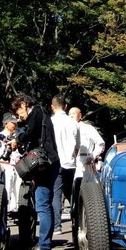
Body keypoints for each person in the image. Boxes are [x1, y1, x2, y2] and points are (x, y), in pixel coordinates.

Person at [10, 93, 59, 250]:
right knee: (45, 204)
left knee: (42, 204)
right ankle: (45, 244)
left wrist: (18, 138)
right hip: (50, 162)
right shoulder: (42, 113)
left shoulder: (36, 112)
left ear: (24, 103)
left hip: (45, 164)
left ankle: (44, 246)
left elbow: (30, 133)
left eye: (18, 111)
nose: (19, 116)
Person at [50, 95, 80, 235]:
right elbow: (78, 145)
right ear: (66, 107)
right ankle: (78, 221)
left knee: (56, 193)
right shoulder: (73, 122)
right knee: (71, 192)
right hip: (70, 161)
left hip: (56, 161)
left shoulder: (51, 121)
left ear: (52, 107)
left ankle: (57, 226)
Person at [69, 106, 105, 219]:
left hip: (85, 161)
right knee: (71, 189)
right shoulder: (65, 129)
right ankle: (73, 213)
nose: (71, 116)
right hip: (69, 161)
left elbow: (100, 143)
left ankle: (88, 214)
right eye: (69, 114)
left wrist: (93, 155)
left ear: (80, 116)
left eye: (74, 113)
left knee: (84, 186)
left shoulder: (87, 128)